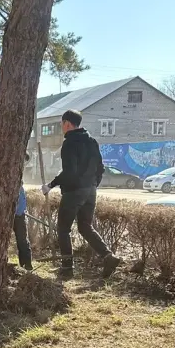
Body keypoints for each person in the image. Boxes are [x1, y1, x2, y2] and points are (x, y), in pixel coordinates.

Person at [42, 110, 122, 279]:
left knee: (63, 229)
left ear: (67, 124)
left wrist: (51, 185)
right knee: (85, 226)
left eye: (61, 124)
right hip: (90, 190)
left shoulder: (70, 143)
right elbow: (101, 167)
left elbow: (69, 171)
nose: (61, 127)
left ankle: (67, 269)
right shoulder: (92, 141)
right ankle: (108, 257)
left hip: (74, 191)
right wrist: (92, 184)